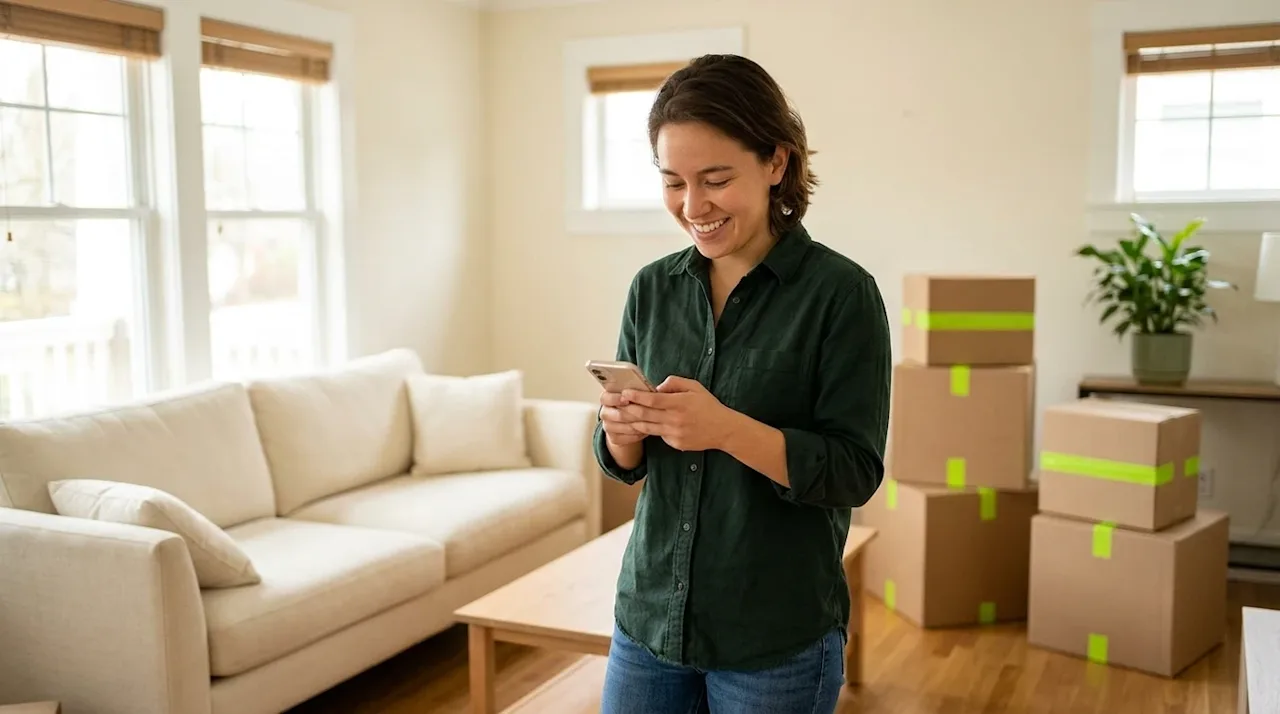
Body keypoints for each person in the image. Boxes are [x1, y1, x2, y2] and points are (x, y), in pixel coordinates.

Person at [592, 53, 892, 714]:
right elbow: (622, 466)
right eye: (673, 182)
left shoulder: (841, 296)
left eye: (716, 179)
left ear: (776, 163)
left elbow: (853, 472)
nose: (692, 206)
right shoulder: (652, 289)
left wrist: (725, 429)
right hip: (647, 623)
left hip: (774, 641)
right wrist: (621, 434)